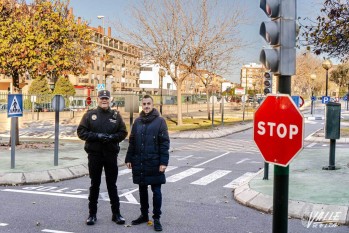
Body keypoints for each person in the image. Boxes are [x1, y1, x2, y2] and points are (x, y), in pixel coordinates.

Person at [77, 90, 128, 226]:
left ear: (110, 99)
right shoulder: (90, 115)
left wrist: (112, 138)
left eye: (106, 98)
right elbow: (81, 132)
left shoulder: (116, 116)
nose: (104, 100)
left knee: (112, 185)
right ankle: (92, 214)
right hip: (95, 155)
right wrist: (97, 136)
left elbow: (123, 132)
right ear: (97, 99)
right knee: (95, 185)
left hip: (111, 155)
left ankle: (116, 213)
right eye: (102, 98)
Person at [125, 94, 170, 232]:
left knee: (156, 191)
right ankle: (144, 215)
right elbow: (132, 142)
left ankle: (156, 218)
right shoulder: (137, 122)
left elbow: (164, 143)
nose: (146, 106)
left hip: (155, 162)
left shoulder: (160, 121)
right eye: (144, 104)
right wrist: (128, 158)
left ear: (152, 104)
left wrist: (163, 162)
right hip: (140, 162)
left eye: (148, 104)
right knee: (142, 190)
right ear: (141, 105)